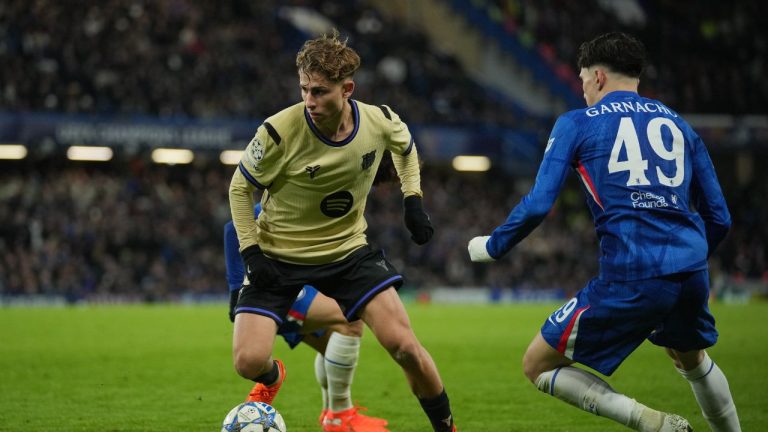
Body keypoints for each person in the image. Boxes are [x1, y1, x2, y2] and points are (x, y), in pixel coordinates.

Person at [468, 32, 740, 432]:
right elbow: (720, 216)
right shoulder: (679, 124)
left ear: (597, 77)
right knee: (691, 359)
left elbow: (541, 202)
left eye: (581, 82)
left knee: (537, 365)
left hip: (631, 274)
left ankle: (651, 423)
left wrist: (492, 246)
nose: (582, 92)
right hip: (691, 273)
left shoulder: (577, 123)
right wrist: (691, 260)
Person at [228, 30, 456, 432]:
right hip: (278, 258)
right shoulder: (279, 131)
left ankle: (446, 428)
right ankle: (279, 380)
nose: (309, 101)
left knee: (404, 347)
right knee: (248, 362)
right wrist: (251, 252)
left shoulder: (379, 120)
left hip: (348, 253)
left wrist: (413, 200)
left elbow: (405, 147)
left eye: (319, 92)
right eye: (304, 90)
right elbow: (239, 187)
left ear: (347, 88)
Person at [224, 204, 388, 431]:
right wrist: (235, 289)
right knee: (350, 317)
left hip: (294, 286)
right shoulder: (300, 197)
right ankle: (339, 415)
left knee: (333, 341)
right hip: (273, 288)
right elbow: (233, 229)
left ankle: (333, 415)